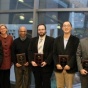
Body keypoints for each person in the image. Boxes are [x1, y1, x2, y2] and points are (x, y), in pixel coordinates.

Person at [53, 21, 79, 88]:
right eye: (64, 26)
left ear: (71, 28)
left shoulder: (76, 40)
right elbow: (54, 53)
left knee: (69, 86)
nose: (66, 27)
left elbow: (76, 54)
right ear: (62, 28)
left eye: (68, 26)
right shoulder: (56, 39)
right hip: (58, 68)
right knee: (59, 86)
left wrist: (69, 65)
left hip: (70, 69)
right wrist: (57, 64)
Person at [28, 24, 54, 88]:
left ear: (45, 30)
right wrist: (32, 61)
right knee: (37, 84)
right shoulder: (33, 40)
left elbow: (52, 52)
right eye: (39, 30)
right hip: (36, 67)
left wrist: (46, 62)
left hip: (47, 66)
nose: (41, 31)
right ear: (37, 31)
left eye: (42, 29)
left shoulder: (51, 40)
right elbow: (29, 51)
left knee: (46, 85)